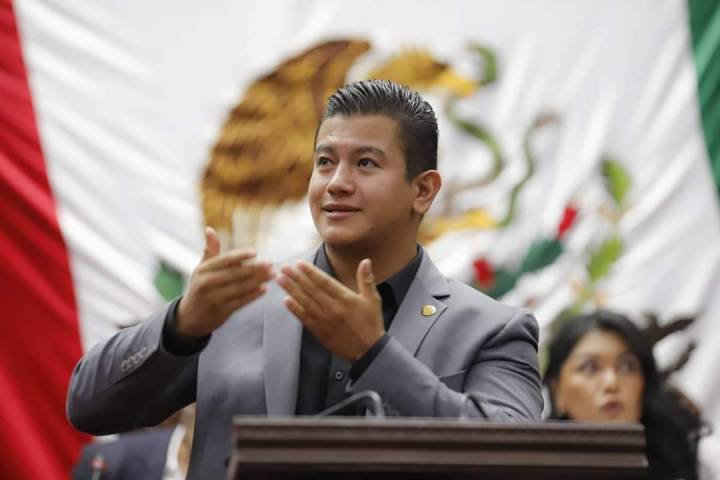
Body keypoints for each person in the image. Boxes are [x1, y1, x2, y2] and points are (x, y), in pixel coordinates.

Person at [67, 79, 543, 479]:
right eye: (325, 162)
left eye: (366, 163)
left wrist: (375, 357)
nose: (336, 182)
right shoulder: (237, 304)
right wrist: (181, 325)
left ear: (423, 190)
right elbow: (90, 408)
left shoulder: (491, 330)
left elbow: (516, 461)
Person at [544, 310, 719, 480]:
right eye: (590, 368)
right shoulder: (535, 468)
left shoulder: (699, 461)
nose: (611, 383)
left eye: (626, 366)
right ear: (557, 391)